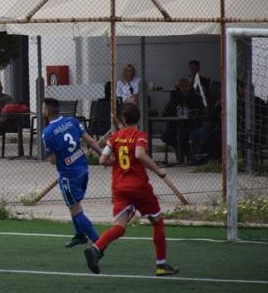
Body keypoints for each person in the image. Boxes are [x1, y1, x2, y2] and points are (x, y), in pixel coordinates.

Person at [84, 104, 179, 277]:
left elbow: (102, 160)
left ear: (124, 119)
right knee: (157, 222)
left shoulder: (114, 137)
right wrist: (158, 170)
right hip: (138, 187)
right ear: (139, 118)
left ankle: (96, 248)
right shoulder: (140, 136)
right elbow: (139, 154)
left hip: (119, 187)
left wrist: (116, 163)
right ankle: (161, 265)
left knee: (120, 227)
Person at [41, 98, 103, 248]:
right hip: (83, 169)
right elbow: (90, 141)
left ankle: (99, 242)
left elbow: (53, 160)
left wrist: (54, 155)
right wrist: (102, 154)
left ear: (47, 111)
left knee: (75, 210)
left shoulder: (47, 133)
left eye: (43, 108)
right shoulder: (72, 121)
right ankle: (79, 235)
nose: (42, 110)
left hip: (69, 175)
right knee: (75, 204)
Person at [162, 77, 205, 164]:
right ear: (179, 87)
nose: (184, 88)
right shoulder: (175, 96)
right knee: (165, 136)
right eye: (182, 86)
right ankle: (183, 151)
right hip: (175, 124)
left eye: (186, 86)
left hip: (191, 124)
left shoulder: (196, 96)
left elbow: (201, 111)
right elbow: (167, 110)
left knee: (183, 135)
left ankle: (183, 153)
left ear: (190, 86)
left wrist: (192, 113)